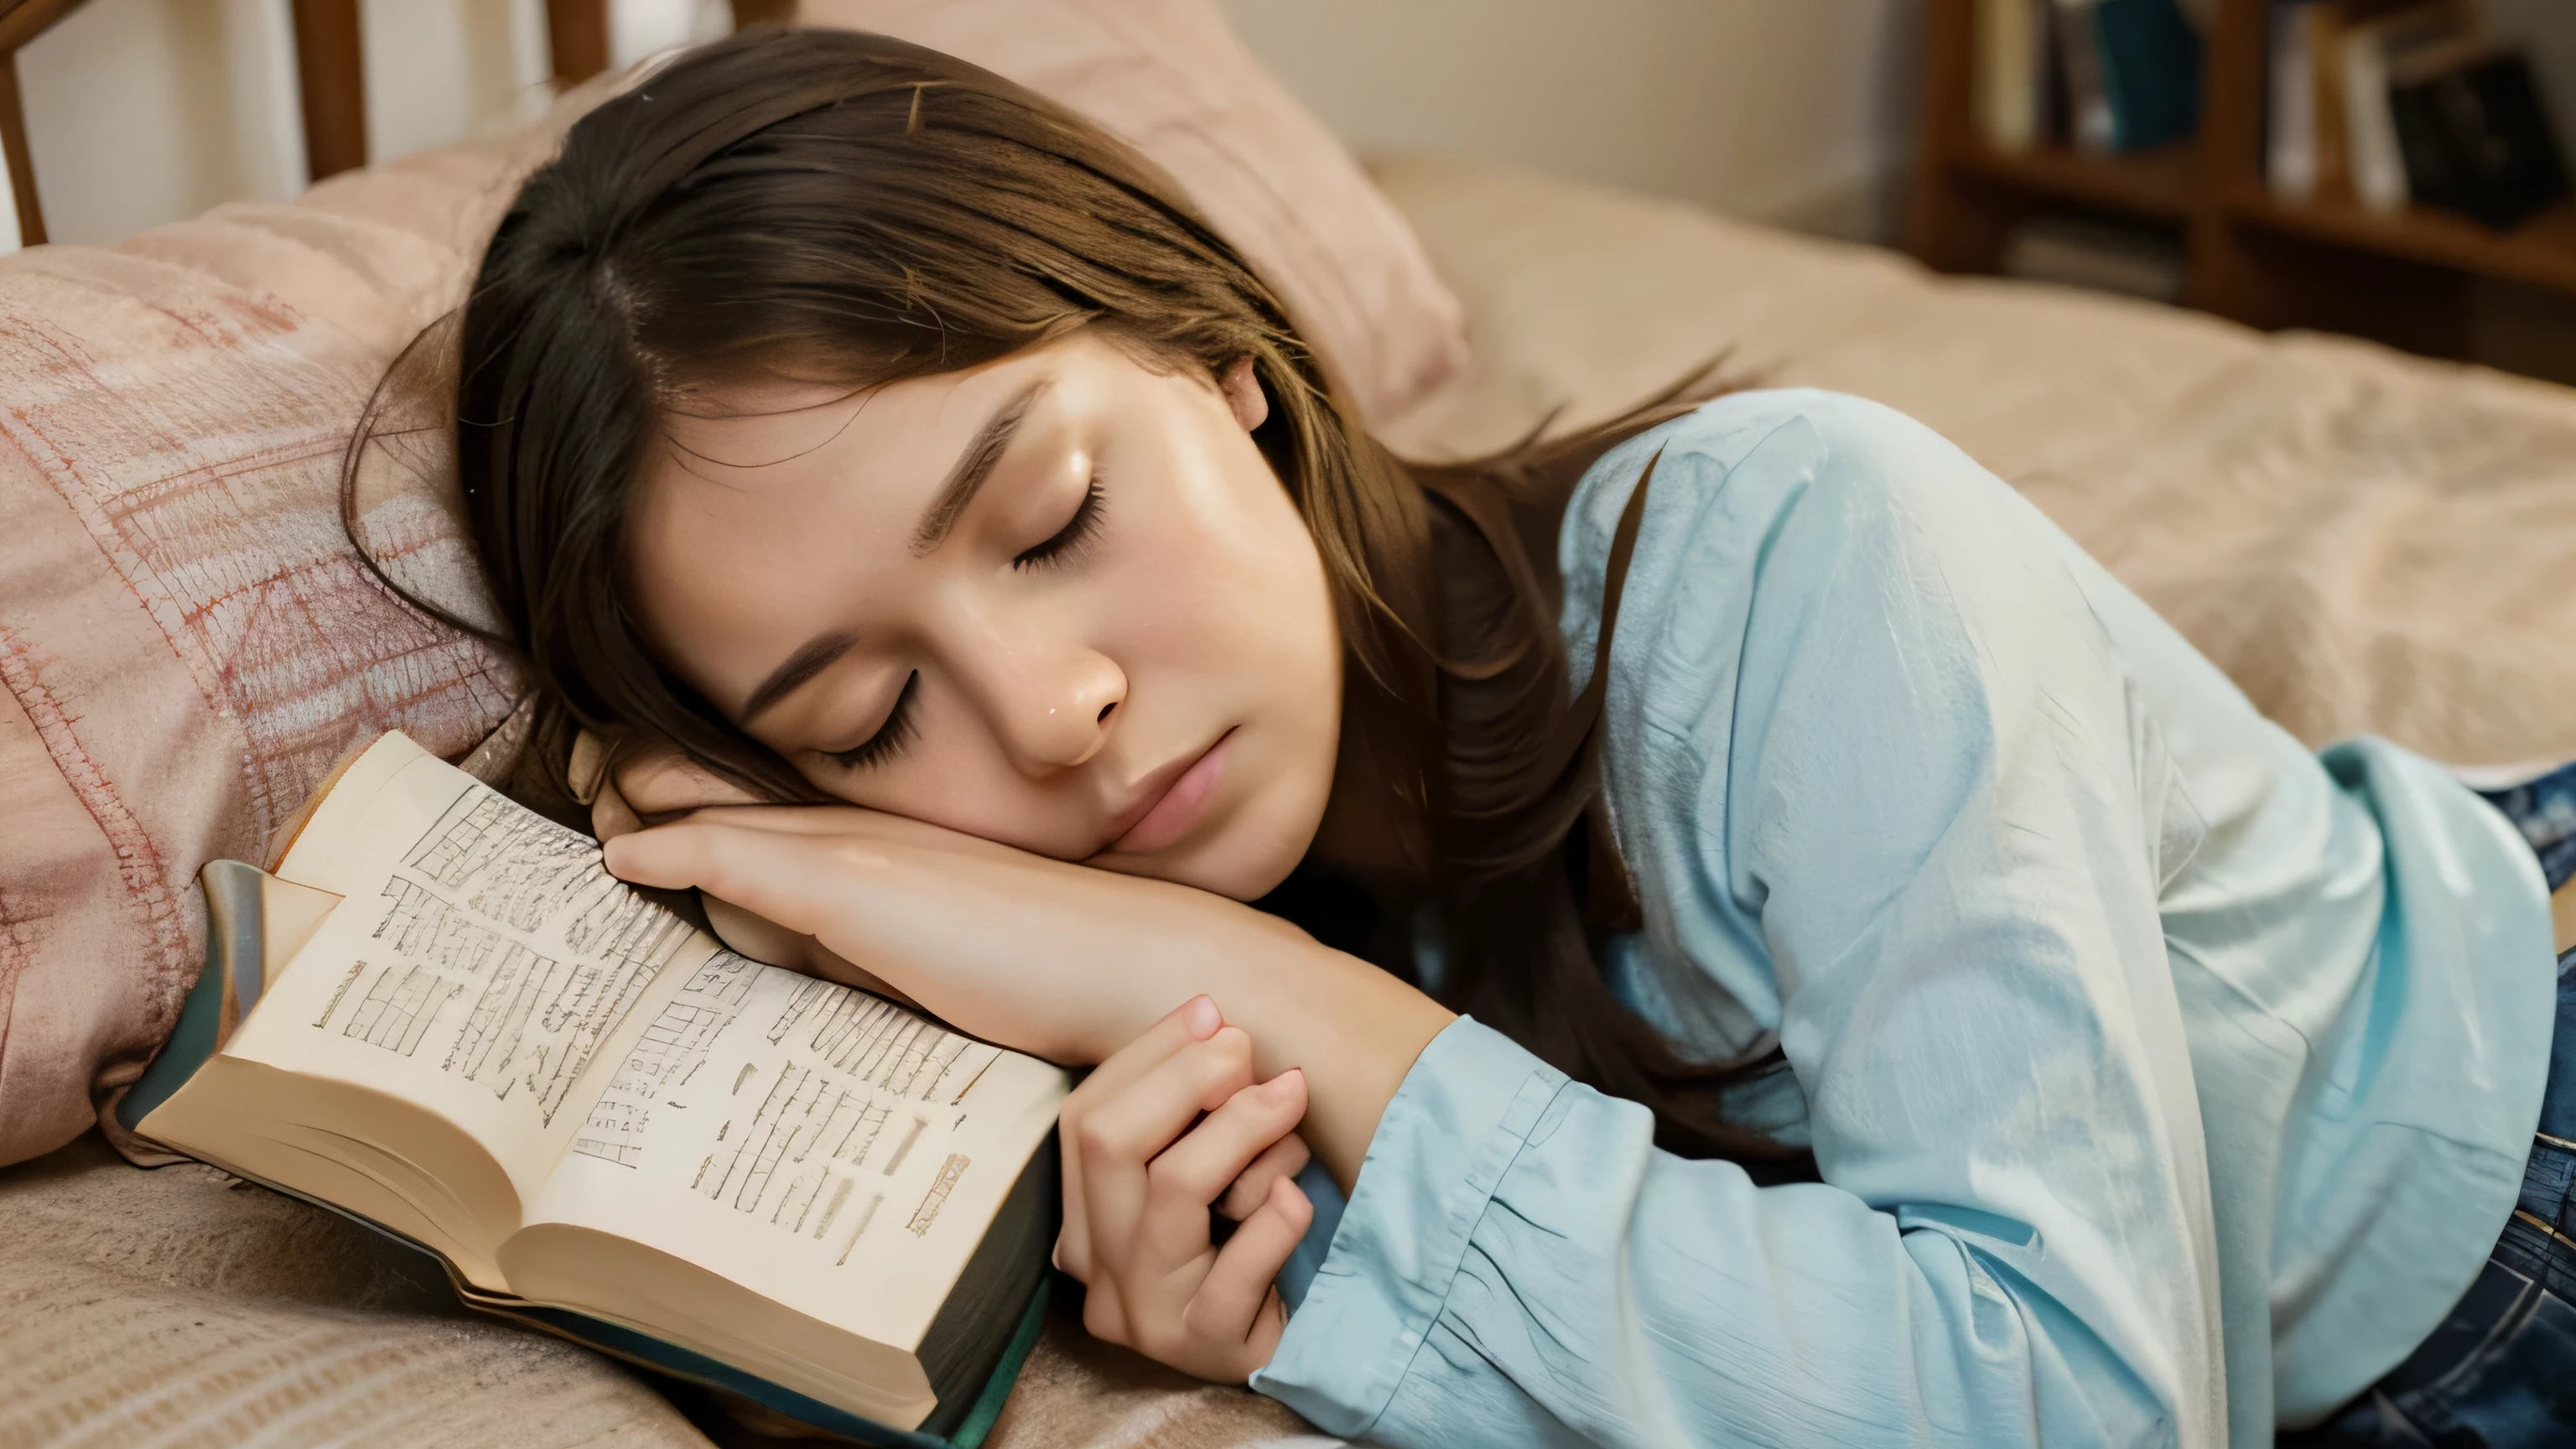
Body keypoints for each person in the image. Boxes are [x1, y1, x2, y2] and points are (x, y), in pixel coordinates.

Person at [391, 24, 2576, 1448]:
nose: (1054, 715)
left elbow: (2083, 1412)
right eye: (871, 715)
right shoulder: (1084, 964)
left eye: (1056, 518)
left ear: (1216, 355)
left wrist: (1263, 993)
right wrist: (1282, 1304)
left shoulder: (1800, 551)